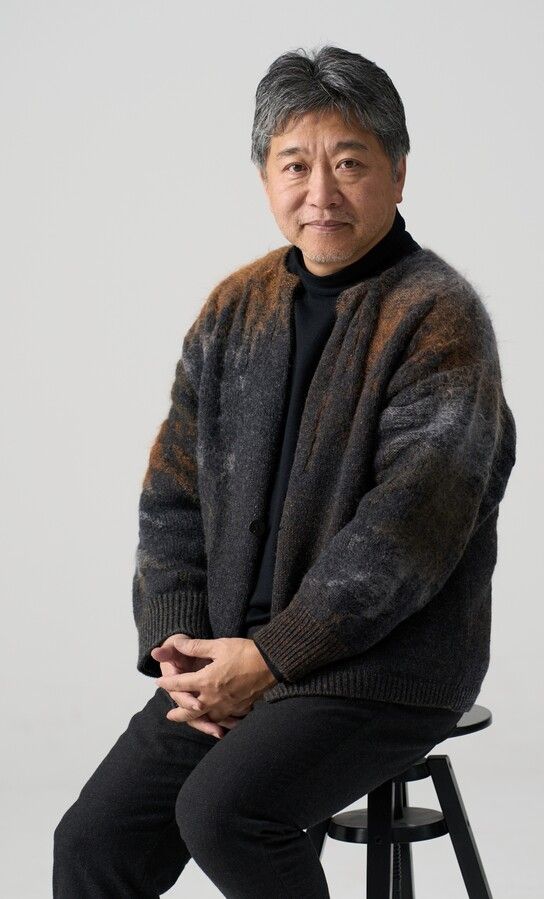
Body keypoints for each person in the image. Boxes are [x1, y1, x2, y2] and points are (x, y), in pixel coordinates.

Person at [53, 44, 517, 898]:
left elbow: (403, 537)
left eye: (350, 163)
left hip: (385, 665)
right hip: (230, 658)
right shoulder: (236, 308)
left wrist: (270, 657)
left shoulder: (439, 317)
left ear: (399, 173)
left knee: (226, 812)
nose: (321, 193)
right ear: (265, 176)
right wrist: (178, 643)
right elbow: (172, 495)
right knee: (93, 841)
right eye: (295, 164)